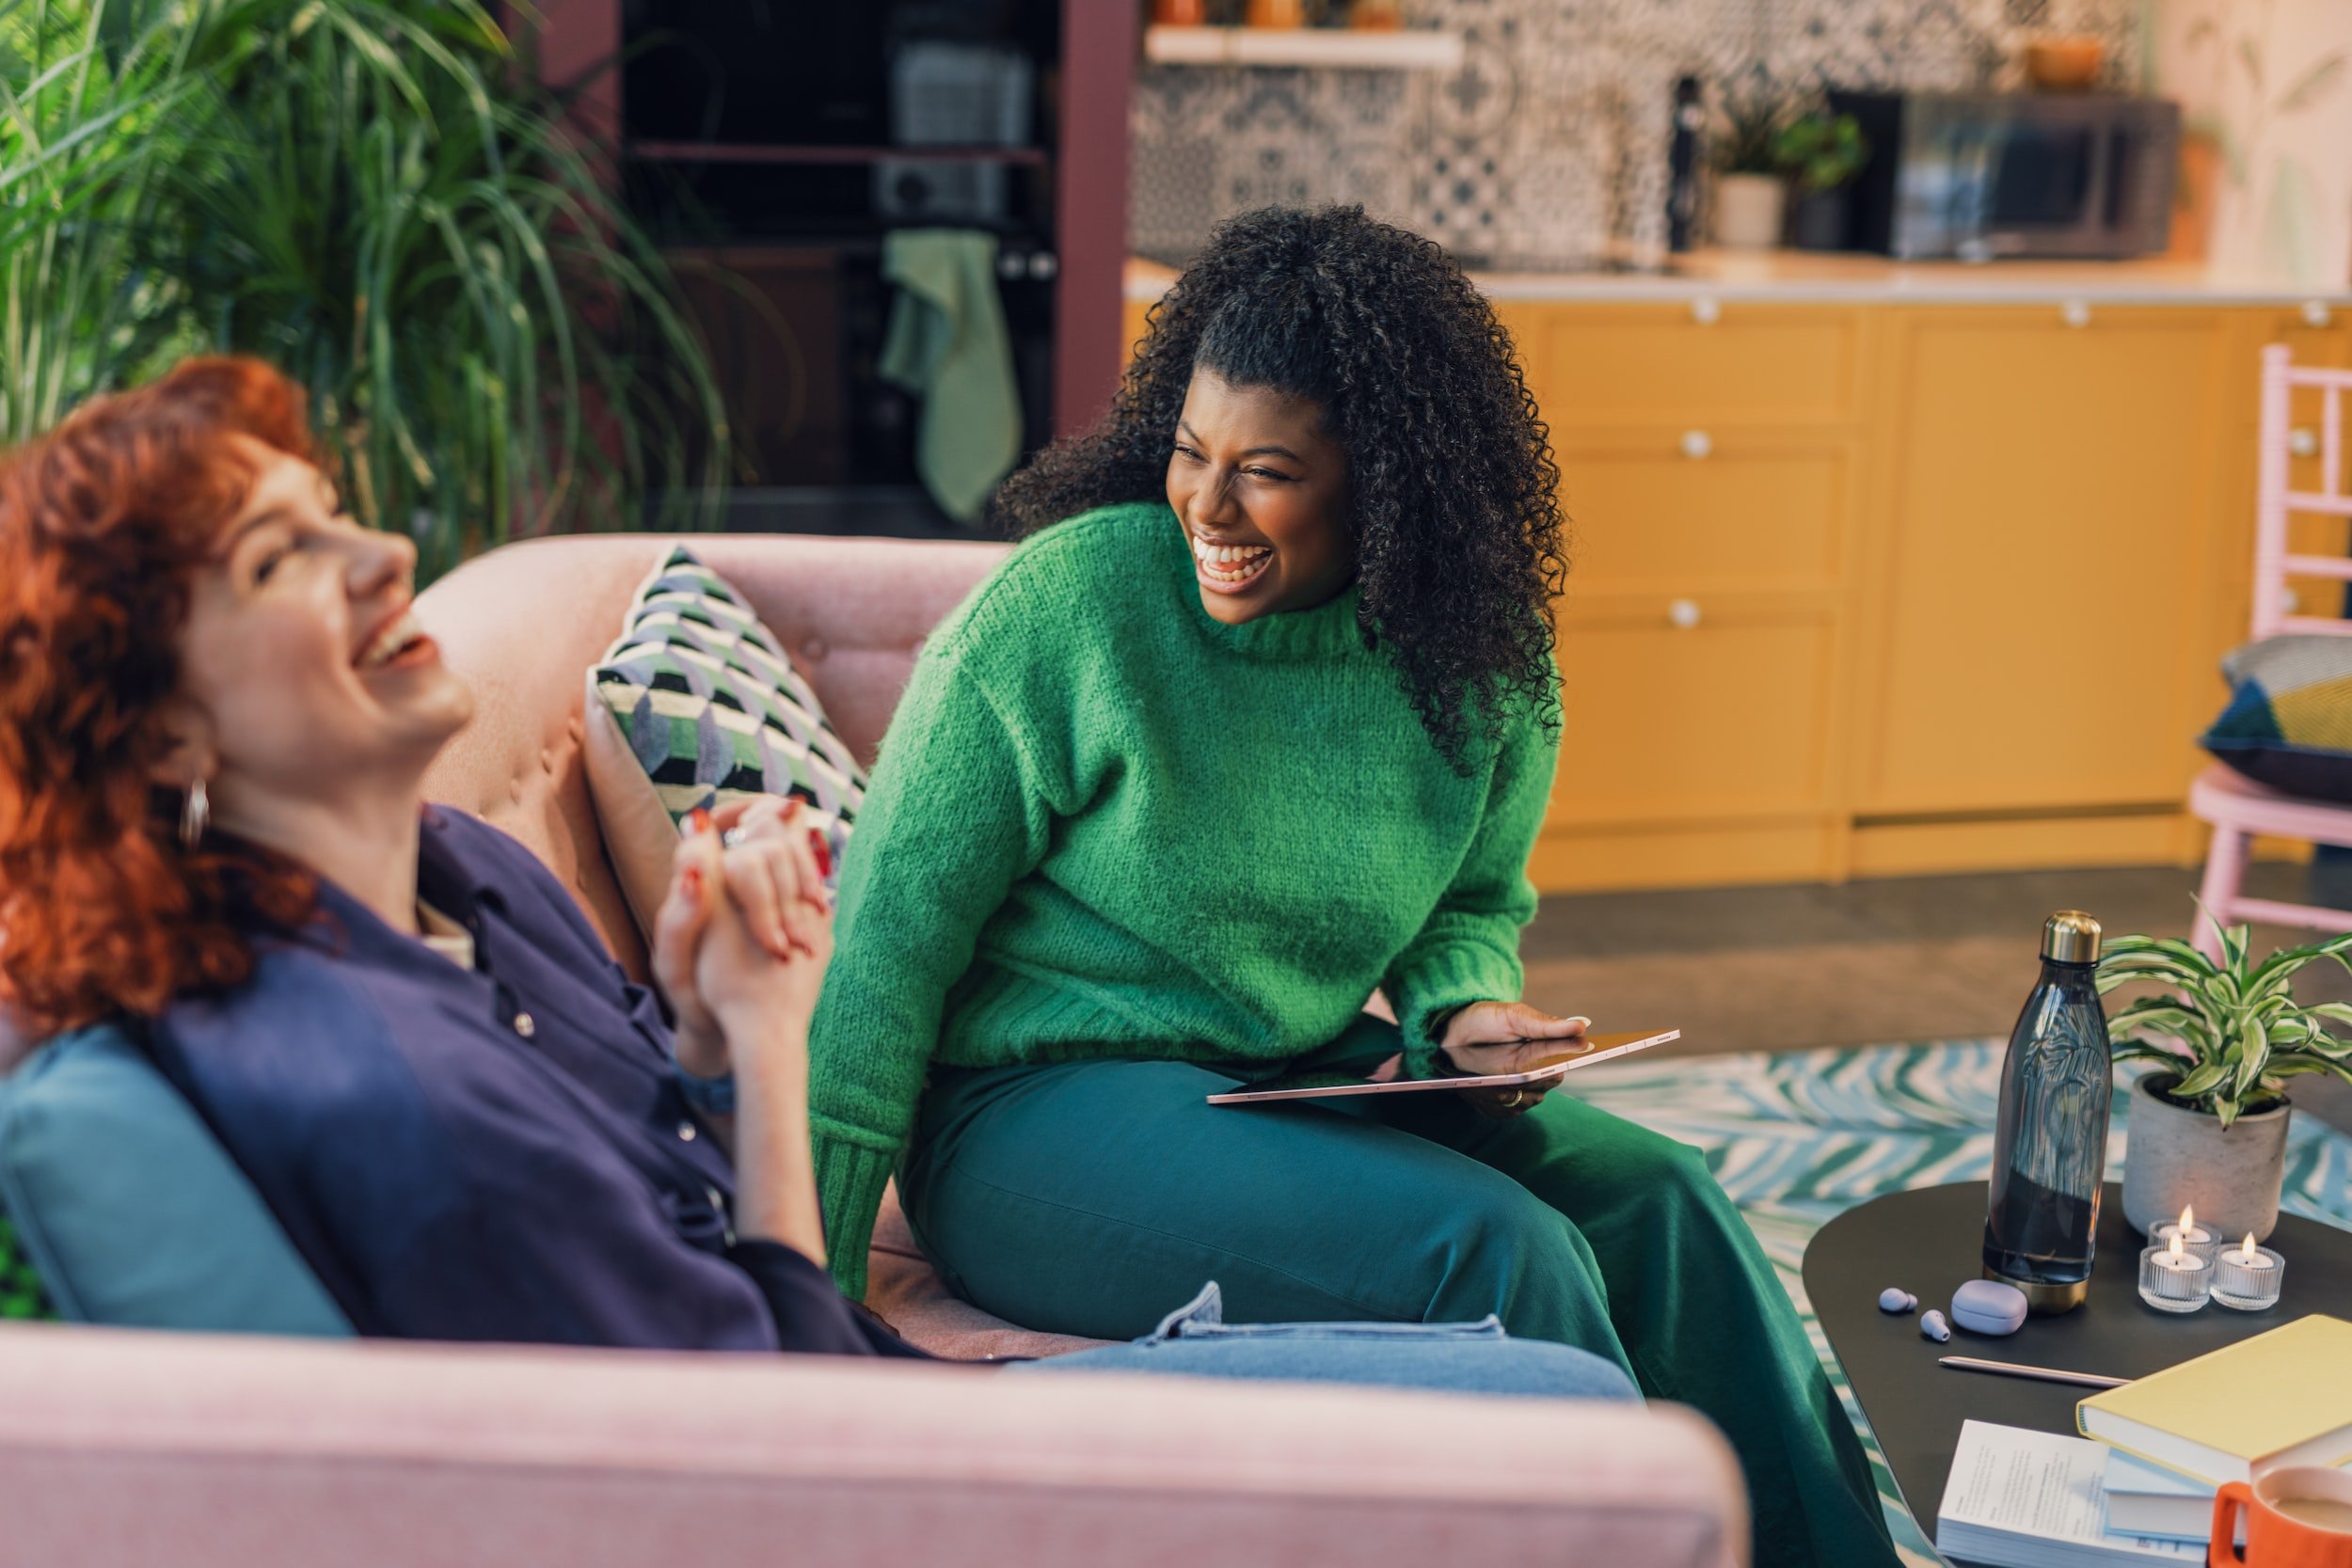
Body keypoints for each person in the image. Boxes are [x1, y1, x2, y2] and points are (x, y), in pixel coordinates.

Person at [0, 356, 1632, 1401]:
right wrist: (778, 1048)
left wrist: (718, 1031)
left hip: (876, 1379)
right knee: (1548, 1367)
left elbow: (674, 1158)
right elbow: (766, 1421)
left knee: (1646, 1221)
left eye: (340, 514)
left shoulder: (466, 877)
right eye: (283, 562)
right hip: (884, 1458)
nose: (385, 556)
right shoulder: (379, 1093)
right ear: (148, 731)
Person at [806, 205, 1900, 1568]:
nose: (1206, 507)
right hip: (1031, 1120)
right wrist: (811, 1308)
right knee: (1504, 1255)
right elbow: (883, 955)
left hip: (1306, 1079)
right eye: (1189, 454)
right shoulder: (1066, 613)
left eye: (1264, 471)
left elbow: (1468, 901)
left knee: (1666, 1206)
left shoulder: (1474, 656)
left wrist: (1464, 1010)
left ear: (1386, 482)